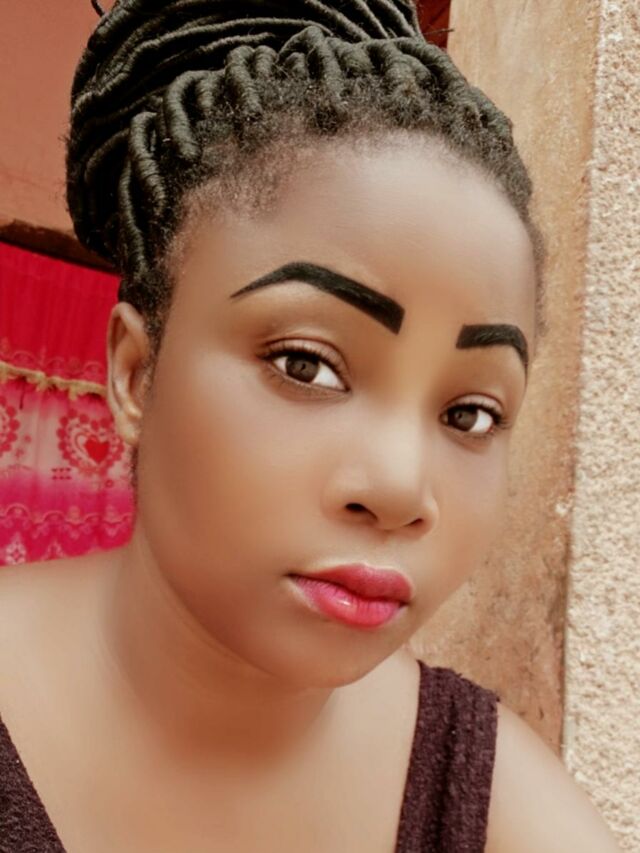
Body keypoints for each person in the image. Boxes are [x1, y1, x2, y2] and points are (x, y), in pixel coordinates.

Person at [0, 1, 622, 851]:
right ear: (136, 373)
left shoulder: (507, 817)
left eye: (470, 413)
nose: (400, 487)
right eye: (306, 365)